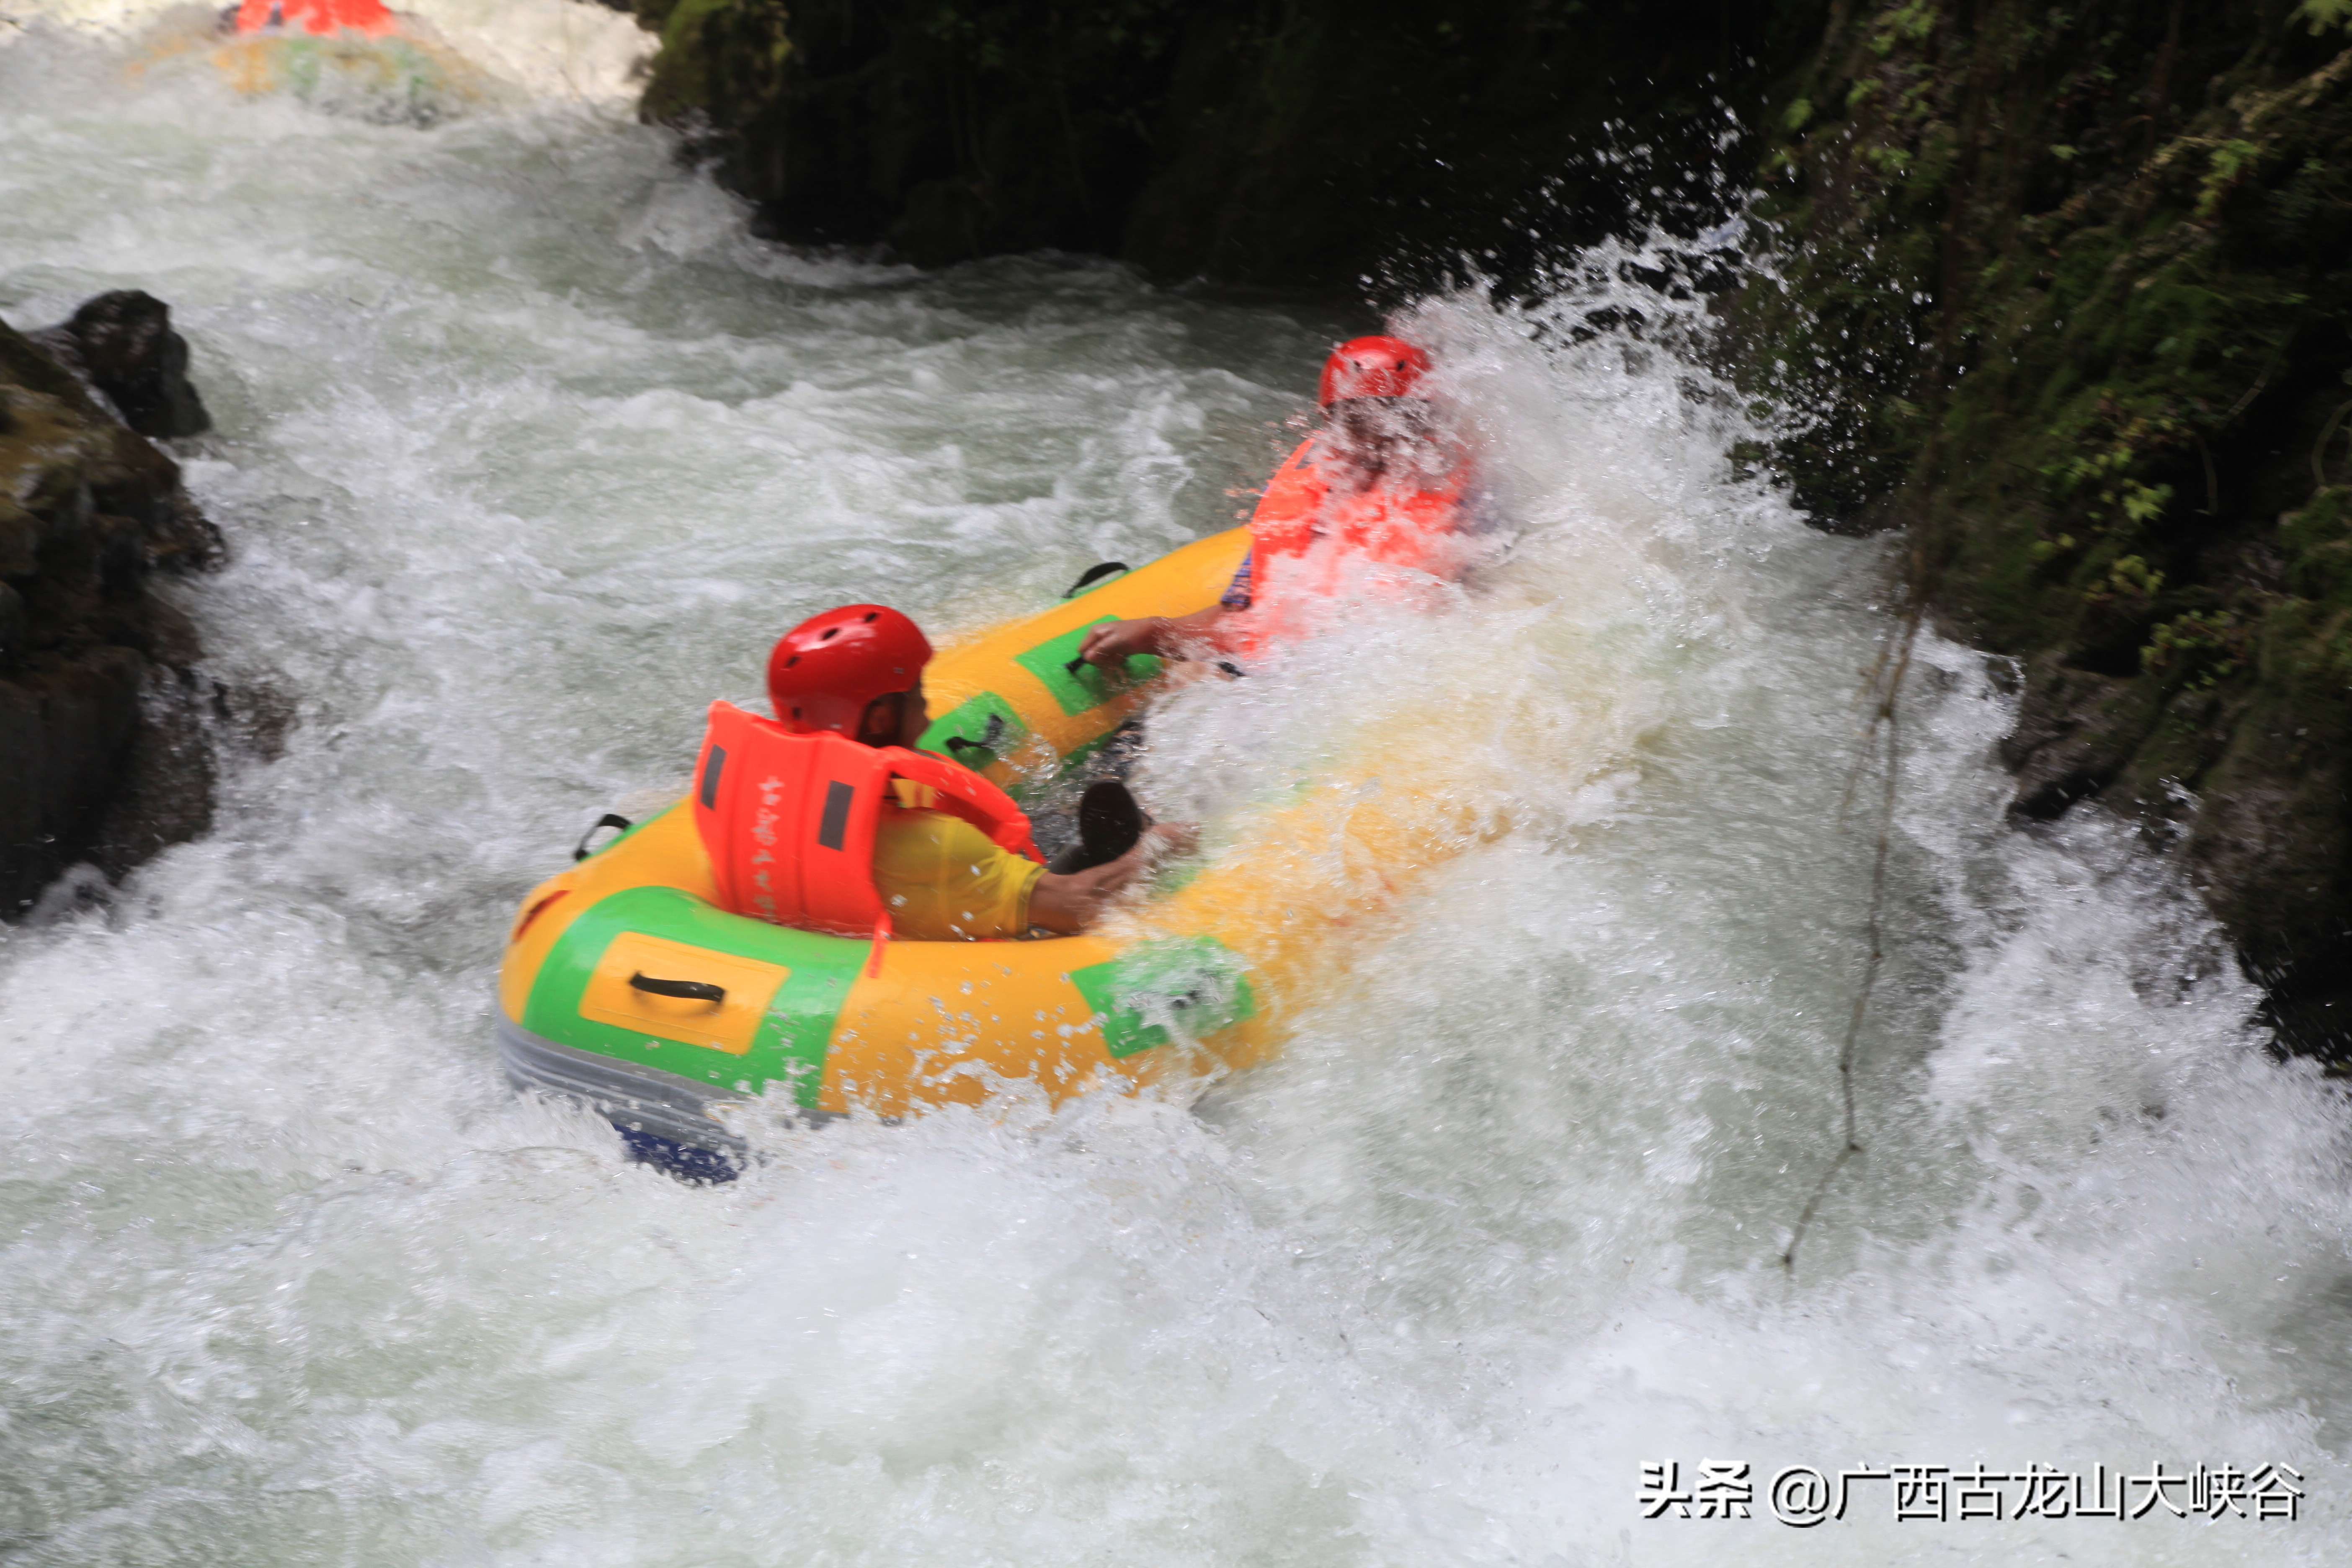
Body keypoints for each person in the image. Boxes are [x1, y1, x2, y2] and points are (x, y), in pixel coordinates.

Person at [691, 604, 1189, 950]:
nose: (928, 715)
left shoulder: (744, 801)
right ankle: (1136, 832)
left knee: (1054, 822)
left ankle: (1097, 826)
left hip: (859, 935)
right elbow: (1079, 907)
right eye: (916, 695)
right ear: (882, 717)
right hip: (983, 942)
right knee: (1131, 838)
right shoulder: (934, 844)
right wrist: (1165, 845)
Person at [1076, 333, 1475, 671]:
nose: (1373, 438)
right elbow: (1241, 621)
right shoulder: (1317, 498)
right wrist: (1155, 632)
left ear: (1426, 424)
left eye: (1392, 420)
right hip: (1277, 681)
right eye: (1354, 420)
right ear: (1331, 426)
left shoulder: (1467, 511)